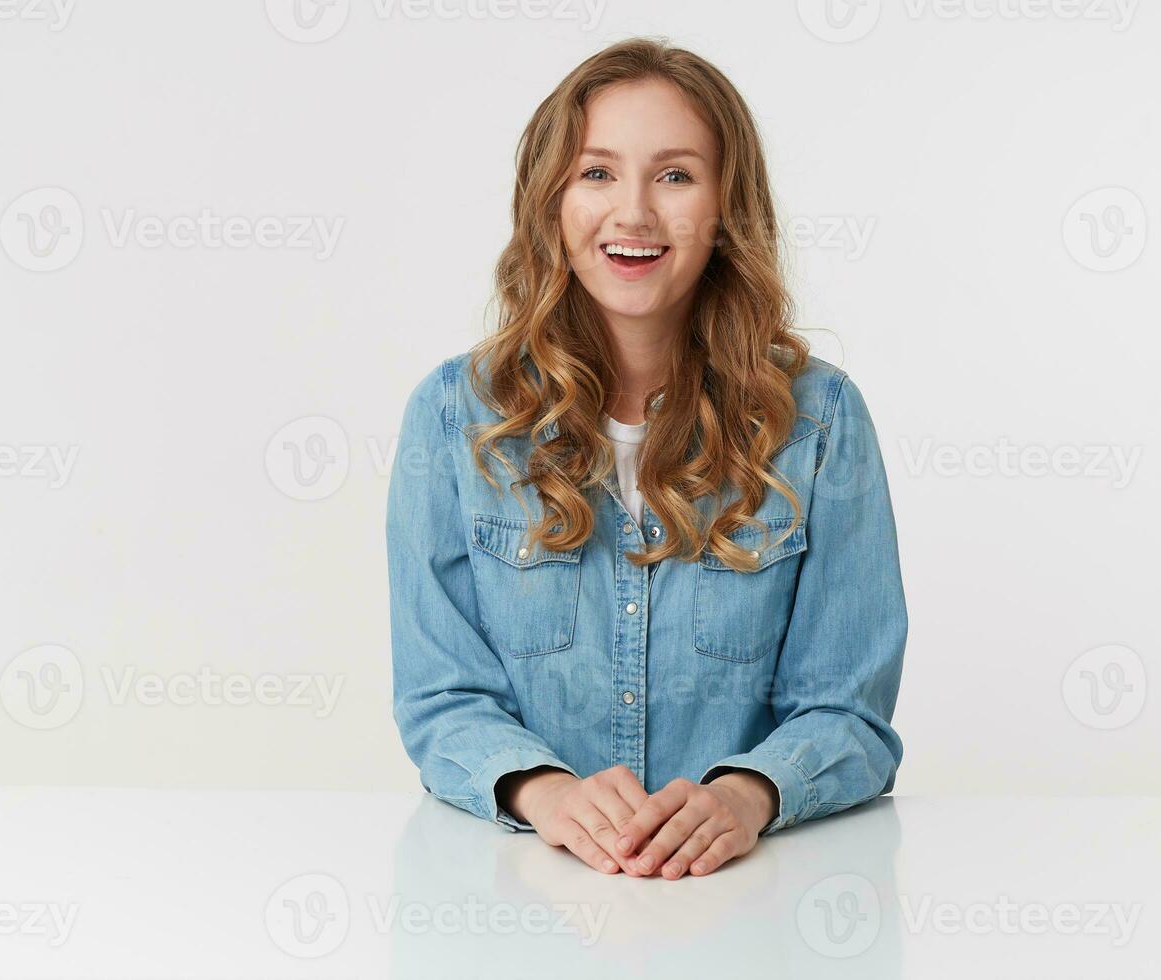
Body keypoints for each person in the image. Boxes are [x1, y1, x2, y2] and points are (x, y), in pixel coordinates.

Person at [386, 36, 907, 880]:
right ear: (550, 200)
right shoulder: (455, 417)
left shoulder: (820, 419)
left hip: (749, 903)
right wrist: (546, 793)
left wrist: (748, 794)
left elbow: (848, 712)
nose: (633, 213)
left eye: (675, 175)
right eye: (596, 173)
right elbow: (440, 699)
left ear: (726, 209)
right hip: (522, 906)